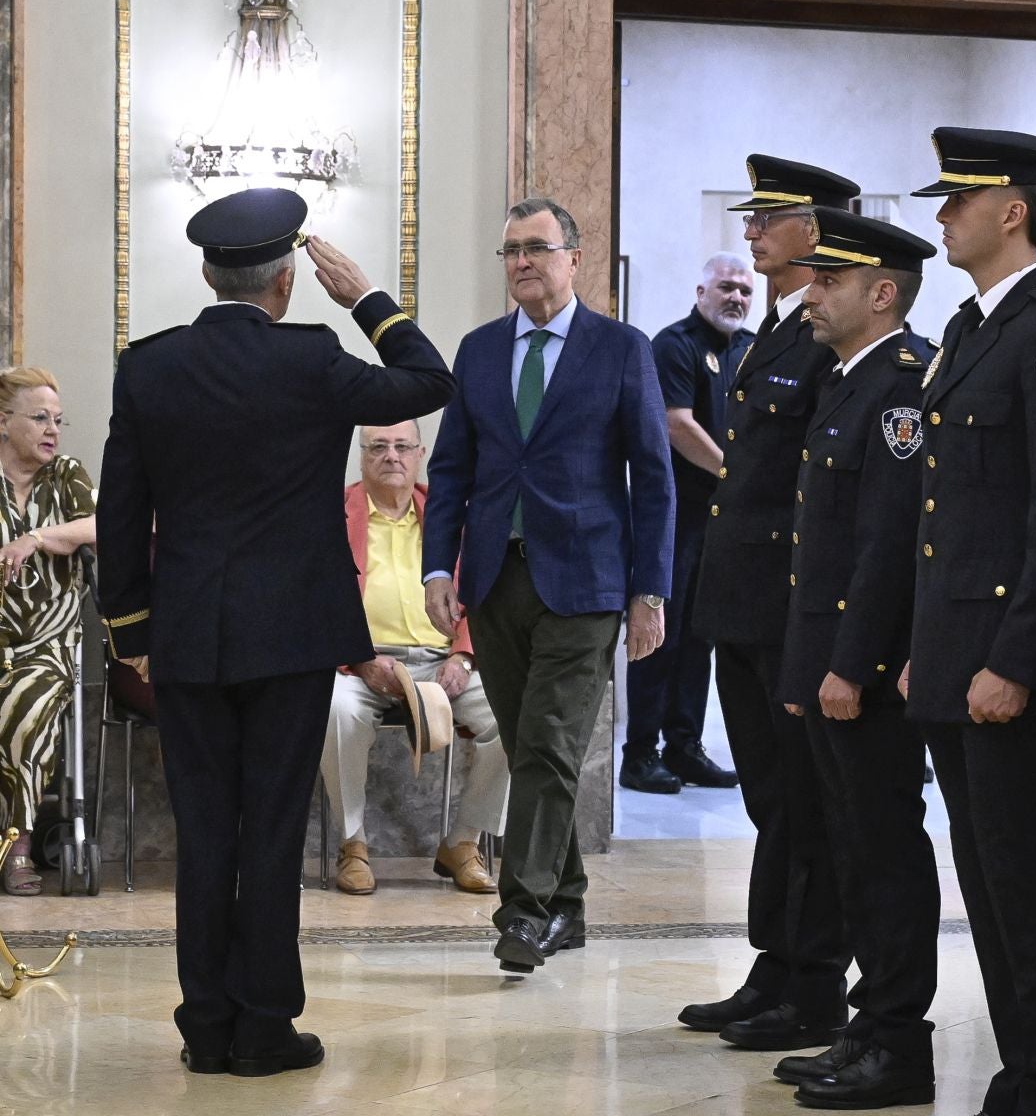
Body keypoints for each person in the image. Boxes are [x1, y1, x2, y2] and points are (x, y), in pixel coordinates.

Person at [97, 186, 454, 1075]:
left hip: (188, 636)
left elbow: (120, 510)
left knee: (205, 833)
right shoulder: (314, 358)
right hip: (294, 637)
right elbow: (429, 381)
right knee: (271, 830)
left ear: (208, 274)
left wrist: (130, 626)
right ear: (286, 281)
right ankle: (263, 1028)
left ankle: (206, 1026)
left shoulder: (148, 366)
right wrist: (367, 299)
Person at [907, 126, 1036, 1116]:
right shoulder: (972, 327)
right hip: (959, 656)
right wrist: (929, 649)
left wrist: (1019, 661)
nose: (944, 215)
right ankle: (1024, 1068)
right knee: (985, 879)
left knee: (1023, 879)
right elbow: (951, 518)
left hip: (1006, 665)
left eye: (959, 199)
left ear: (1013, 211)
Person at [423, 196, 674, 974]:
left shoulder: (622, 349)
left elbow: (654, 478)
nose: (522, 262)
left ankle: (525, 913)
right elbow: (451, 469)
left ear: (573, 257)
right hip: (496, 580)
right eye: (511, 251)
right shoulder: (479, 350)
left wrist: (650, 592)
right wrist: (439, 567)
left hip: (587, 582)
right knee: (532, 745)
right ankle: (567, 902)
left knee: (551, 742)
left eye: (536, 247)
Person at [681, 156, 855, 1049]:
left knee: (803, 801)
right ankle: (776, 965)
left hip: (789, 608)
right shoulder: (773, 331)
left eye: (767, 218)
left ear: (813, 231)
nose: (750, 231)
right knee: (769, 800)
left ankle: (814, 980)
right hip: (745, 604)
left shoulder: (825, 338)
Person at [772, 209, 941, 1109]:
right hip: (828, 663)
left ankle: (899, 1041)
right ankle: (867, 1026)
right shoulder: (848, 381)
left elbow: (887, 544)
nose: (811, 294)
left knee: (884, 852)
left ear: (882, 294)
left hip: (863, 676)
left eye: (830, 281)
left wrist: (852, 665)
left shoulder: (901, 388)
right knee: (851, 850)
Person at [320, 419, 506, 896]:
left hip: (443, 661)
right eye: (378, 446)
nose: (392, 456)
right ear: (361, 455)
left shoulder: (449, 513)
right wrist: (359, 658)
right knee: (336, 710)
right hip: (361, 663)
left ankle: (463, 841)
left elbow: (482, 588)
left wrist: (463, 656)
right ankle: (353, 845)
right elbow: (313, 595)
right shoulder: (330, 513)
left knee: (513, 716)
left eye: (403, 446)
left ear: (421, 454)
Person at [620, 252, 754, 795]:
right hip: (674, 519)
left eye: (745, 290)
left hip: (724, 523)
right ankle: (639, 753)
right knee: (660, 636)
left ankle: (685, 745)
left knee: (702, 638)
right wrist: (736, 475)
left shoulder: (750, 350)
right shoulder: (674, 345)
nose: (736, 298)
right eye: (726, 287)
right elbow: (677, 425)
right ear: (701, 292)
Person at [0, 367, 96, 897]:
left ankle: (16, 846)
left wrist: (35, 538)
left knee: (28, 704)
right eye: (39, 418)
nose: (52, 430)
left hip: (47, 639)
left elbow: (100, 526)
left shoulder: (66, 475)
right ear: (3, 421)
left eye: (58, 420)